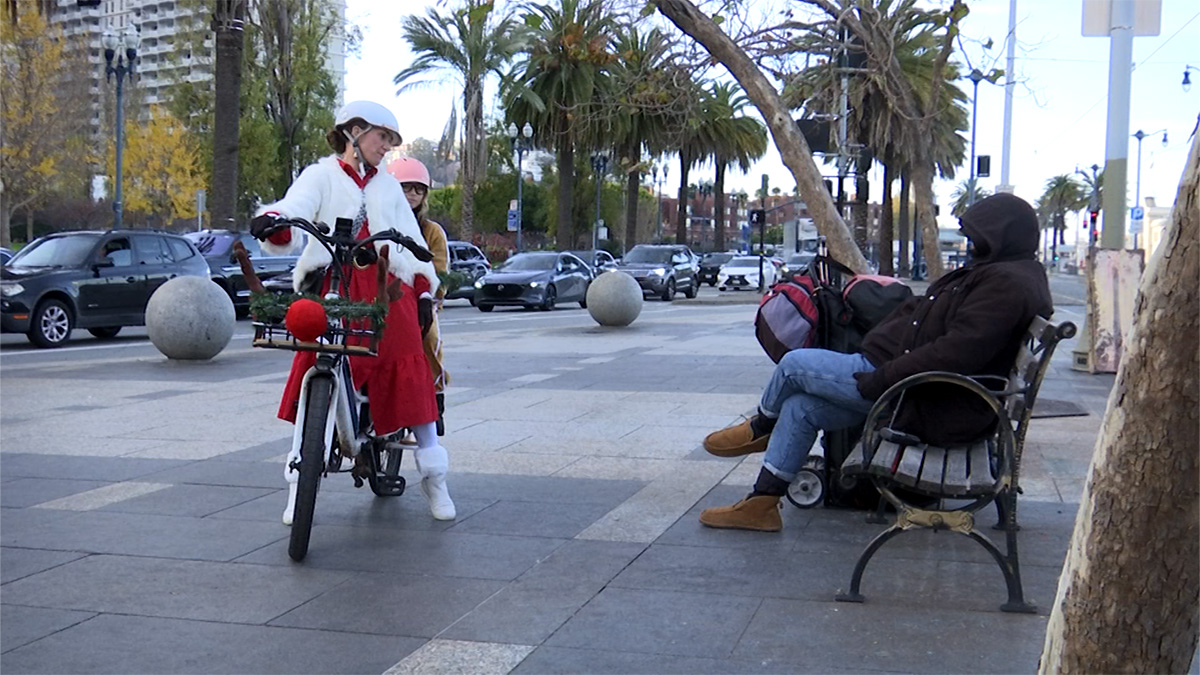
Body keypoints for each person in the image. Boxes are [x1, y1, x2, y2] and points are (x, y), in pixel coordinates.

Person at [700, 193, 1053, 532]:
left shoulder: (1005, 283)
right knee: (801, 407)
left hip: (917, 397)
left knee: (793, 365)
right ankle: (761, 506)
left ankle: (761, 427)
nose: (971, 242)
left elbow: (957, 352)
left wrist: (884, 376)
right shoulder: (1003, 273)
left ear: (1001, 234)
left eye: (977, 235)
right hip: (912, 387)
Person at [250, 100, 456, 522]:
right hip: (334, 282)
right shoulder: (321, 175)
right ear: (354, 132)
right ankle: (296, 488)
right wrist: (274, 220)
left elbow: (412, 241)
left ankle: (434, 478)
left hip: (385, 286)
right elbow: (295, 206)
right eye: (383, 138)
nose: (387, 148)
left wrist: (420, 283)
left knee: (408, 363)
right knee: (312, 354)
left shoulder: (387, 187)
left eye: (392, 141)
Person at [386, 157, 450, 435]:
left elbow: (439, 270)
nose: (411, 194)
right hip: (382, 297)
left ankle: (436, 399)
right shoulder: (378, 220)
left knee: (429, 338)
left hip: (419, 300)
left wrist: (428, 295)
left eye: (417, 189)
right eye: (404, 188)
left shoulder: (432, 231)